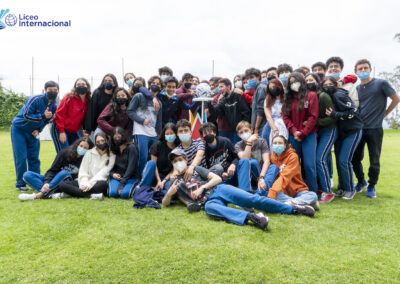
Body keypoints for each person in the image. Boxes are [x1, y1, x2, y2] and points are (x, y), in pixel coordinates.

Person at [352, 59, 399, 198]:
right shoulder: (356, 89)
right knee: (355, 158)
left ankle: (372, 186)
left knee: (374, 159)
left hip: (375, 129)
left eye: (365, 68)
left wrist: (384, 114)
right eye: (360, 69)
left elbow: (396, 99)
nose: (363, 71)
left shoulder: (381, 84)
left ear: (370, 69)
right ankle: (361, 181)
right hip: (359, 129)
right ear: (355, 72)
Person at [11, 81, 58, 191]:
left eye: (55, 90)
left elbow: (48, 120)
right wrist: (42, 115)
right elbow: (26, 115)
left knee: (34, 158)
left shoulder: (54, 105)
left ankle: (35, 181)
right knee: (21, 157)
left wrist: (39, 129)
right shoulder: (35, 99)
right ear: (44, 90)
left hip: (34, 132)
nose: (52, 92)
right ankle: (21, 184)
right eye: (50, 90)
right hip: (19, 129)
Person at [324, 75, 363, 199]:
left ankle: (350, 189)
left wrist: (335, 114)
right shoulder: (329, 97)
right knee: (339, 161)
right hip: (341, 133)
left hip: (353, 130)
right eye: (325, 85)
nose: (327, 87)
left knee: (344, 161)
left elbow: (353, 112)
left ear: (336, 85)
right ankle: (342, 188)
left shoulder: (339, 95)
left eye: (330, 84)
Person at [18, 137, 93, 201]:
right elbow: (52, 170)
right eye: (81, 146)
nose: (82, 149)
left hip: (66, 183)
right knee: (27, 175)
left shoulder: (88, 160)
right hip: (54, 180)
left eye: (85, 148)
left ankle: (39, 195)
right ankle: (50, 193)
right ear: (77, 145)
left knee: (65, 173)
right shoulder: (64, 153)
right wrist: (46, 183)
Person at [282, 72, 319, 193]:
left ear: (302, 82)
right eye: (291, 83)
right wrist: (294, 131)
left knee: (309, 165)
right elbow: (285, 117)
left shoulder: (311, 95)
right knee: (294, 164)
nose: (293, 84)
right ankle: (296, 190)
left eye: (295, 81)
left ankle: (312, 191)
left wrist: (303, 133)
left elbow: (313, 117)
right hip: (294, 136)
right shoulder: (288, 98)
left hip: (309, 135)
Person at [56, 132, 116, 200]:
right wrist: (84, 184)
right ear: (95, 143)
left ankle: (72, 193)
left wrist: (89, 185)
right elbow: (83, 171)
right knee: (63, 185)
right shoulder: (89, 153)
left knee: (103, 185)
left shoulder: (112, 156)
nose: (100, 143)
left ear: (107, 141)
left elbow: (103, 174)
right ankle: (91, 195)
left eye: (102, 141)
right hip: (84, 181)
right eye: (98, 142)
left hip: (97, 182)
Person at [265, 135, 319, 209]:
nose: (277, 145)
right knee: (275, 195)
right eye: (275, 143)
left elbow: (285, 176)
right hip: (283, 191)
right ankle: (303, 204)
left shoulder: (293, 156)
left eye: (280, 143)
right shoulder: (272, 158)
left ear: (285, 145)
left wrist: (273, 191)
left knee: (313, 195)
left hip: (297, 190)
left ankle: (291, 203)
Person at [307, 73, 337, 203]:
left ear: (317, 82)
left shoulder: (323, 96)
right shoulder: (308, 97)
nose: (309, 82)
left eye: (311, 80)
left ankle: (328, 192)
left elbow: (331, 118)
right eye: (306, 80)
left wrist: (314, 122)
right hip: (318, 132)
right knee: (316, 159)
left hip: (329, 131)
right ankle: (320, 188)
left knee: (320, 159)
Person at [127, 76, 162, 177]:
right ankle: (139, 179)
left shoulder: (159, 102)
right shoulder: (139, 96)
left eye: (158, 84)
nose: (156, 85)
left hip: (153, 133)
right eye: (154, 83)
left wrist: (159, 136)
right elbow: (129, 111)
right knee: (143, 157)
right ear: (149, 84)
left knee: (154, 157)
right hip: (141, 131)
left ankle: (150, 178)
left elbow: (159, 121)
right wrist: (142, 121)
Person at [51, 78, 90, 153]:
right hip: (60, 128)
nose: (81, 86)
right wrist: (62, 132)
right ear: (75, 87)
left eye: (83, 84)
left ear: (87, 86)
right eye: (78, 84)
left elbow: (85, 119)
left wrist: (85, 131)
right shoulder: (69, 97)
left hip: (74, 130)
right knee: (64, 153)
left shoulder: (88, 101)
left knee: (76, 153)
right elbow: (59, 114)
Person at [208, 78, 251, 143]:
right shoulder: (223, 100)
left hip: (243, 129)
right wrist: (209, 103)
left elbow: (246, 112)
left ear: (228, 87)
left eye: (221, 86)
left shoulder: (238, 96)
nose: (219, 89)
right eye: (219, 87)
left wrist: (244, 128)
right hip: (235, 130)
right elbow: (215, 111)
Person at [234, 121, 271, 192]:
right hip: (245, 175)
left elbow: (267, 161)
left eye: (246, 131)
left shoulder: (261, 141)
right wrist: (249, 143)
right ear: (238, 135)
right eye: (241, 132)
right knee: (247, 161)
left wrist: (262, 177)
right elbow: (244, 159)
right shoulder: (238, 145)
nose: (244, 133)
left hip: (259, 173)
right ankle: (245, 192)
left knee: (253, 162)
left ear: (251, 130)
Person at [147, 123, 181, 196]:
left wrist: (163, 181)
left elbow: (175, 167)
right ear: (164, 135)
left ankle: (155, 192)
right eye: (167, 134)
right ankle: (145, 188)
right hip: (155, 174)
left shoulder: (178, 148)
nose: (169, 135)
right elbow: (153, 164)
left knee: (172, 190)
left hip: (169, 177)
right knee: (151, 164)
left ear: (176, 134)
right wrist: (159, 180)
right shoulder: (157, 145)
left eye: (171, 133)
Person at [83, 73, 118, 137]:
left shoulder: (117, 94)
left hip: (113, 126)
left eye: (110, 81)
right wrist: (88, 130)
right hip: (99, 126)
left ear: (114, 83)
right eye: (105, 81)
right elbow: (92, 111)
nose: (107, 82)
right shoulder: (97, 93)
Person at [108, 127, 139, 199]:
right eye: (115, 137)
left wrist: (122, 183)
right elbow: (109, 166)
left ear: (123, 136)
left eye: (119, 137)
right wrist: (113, 174)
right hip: (117, 177)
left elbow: (131, 167)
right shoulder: (113, 149)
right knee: (112, 194)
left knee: (124, 195)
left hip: (130, 178)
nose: (117, 139)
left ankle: (135, 188)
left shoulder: (131, 147)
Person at [261, 78, 288, 146]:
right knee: (266, 140)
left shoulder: (287, 98)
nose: (273, 89)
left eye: (274, 86)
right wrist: (275, 130)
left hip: (285, 123)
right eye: (270, 88)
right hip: (271, 124)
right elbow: (268, 117)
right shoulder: (267, 100)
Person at [245, 68, 267, 135]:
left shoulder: (261, 88)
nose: (249, 80)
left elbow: (260, 110)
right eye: (248, 78)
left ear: (258, 77)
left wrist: (256, 128)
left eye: (251, 77)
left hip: (261, 127)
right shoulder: (257, 89)